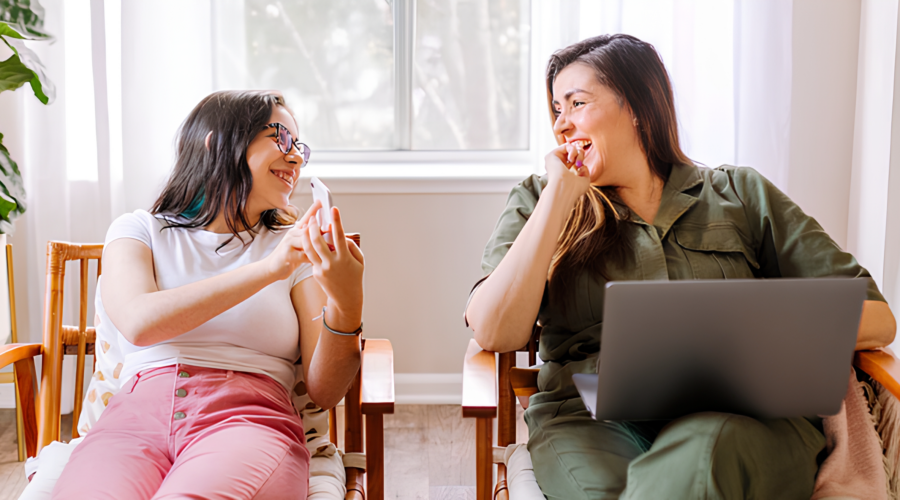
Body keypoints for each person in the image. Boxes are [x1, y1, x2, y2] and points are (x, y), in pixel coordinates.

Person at [464, 34, 897, 500]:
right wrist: (558, 199)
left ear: (636, 106)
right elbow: (493, 331)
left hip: (745, 418)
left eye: (577, 103)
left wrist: (746, 331)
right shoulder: (538, 198)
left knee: (706, 454)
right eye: (556, 110)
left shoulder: (740, 194)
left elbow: (876, 316)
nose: (562, 125)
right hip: (591, 422)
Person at [52, 90, 365, 499]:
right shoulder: (138, 231)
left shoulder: (293, 249)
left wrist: (346, 304)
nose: (295, 158)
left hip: (248, 420)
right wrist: (268, 270)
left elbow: (325, 391)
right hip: (131, 422)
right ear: (217, 143)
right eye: (280, 138)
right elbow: (140, 323)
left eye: (299, 146)